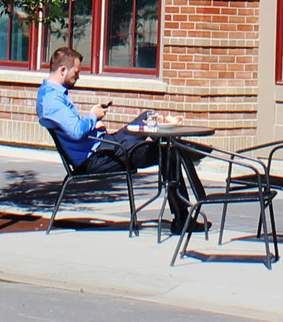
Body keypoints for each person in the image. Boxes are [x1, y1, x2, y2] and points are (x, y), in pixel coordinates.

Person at [35, 47, 198, 231]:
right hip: (96, 158)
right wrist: (92, 117)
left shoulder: (53, 93)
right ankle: (183, 219)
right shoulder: (51, 100)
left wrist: (92, 125)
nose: (78, 77)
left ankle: (177, 145)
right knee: (167, 154)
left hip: (103, 145)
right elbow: (75, 131)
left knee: (148, 116)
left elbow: (73, 129)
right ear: (63, 70)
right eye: (76, 72)